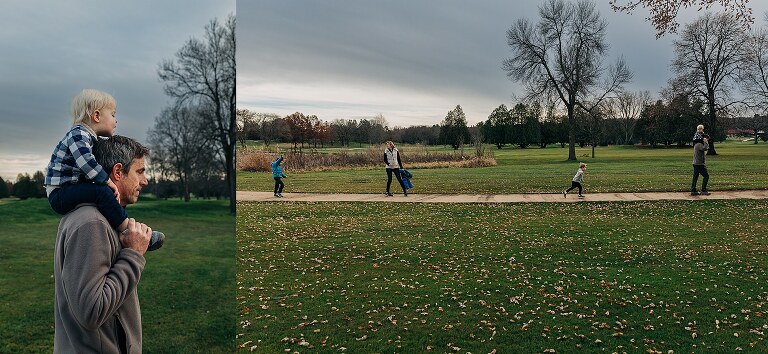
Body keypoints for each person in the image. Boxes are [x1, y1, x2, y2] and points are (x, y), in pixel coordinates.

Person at [54, 135, 153, 353]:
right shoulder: (92, 223)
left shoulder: (99, 218)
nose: (145, 181)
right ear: (118, 172)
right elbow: (92, 311)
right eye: (140, 172)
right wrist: (133, 254)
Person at [44, 89, 163, 251]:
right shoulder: (78, 134)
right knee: (101, 192)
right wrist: (106, 181)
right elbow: (86, 162)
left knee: (102, 194)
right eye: (113, 115)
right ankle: (129, 230)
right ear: (97, 116)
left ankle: (121, 230)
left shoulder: (90, 138)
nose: (116, 121)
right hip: (61, 192)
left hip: (69, 188)